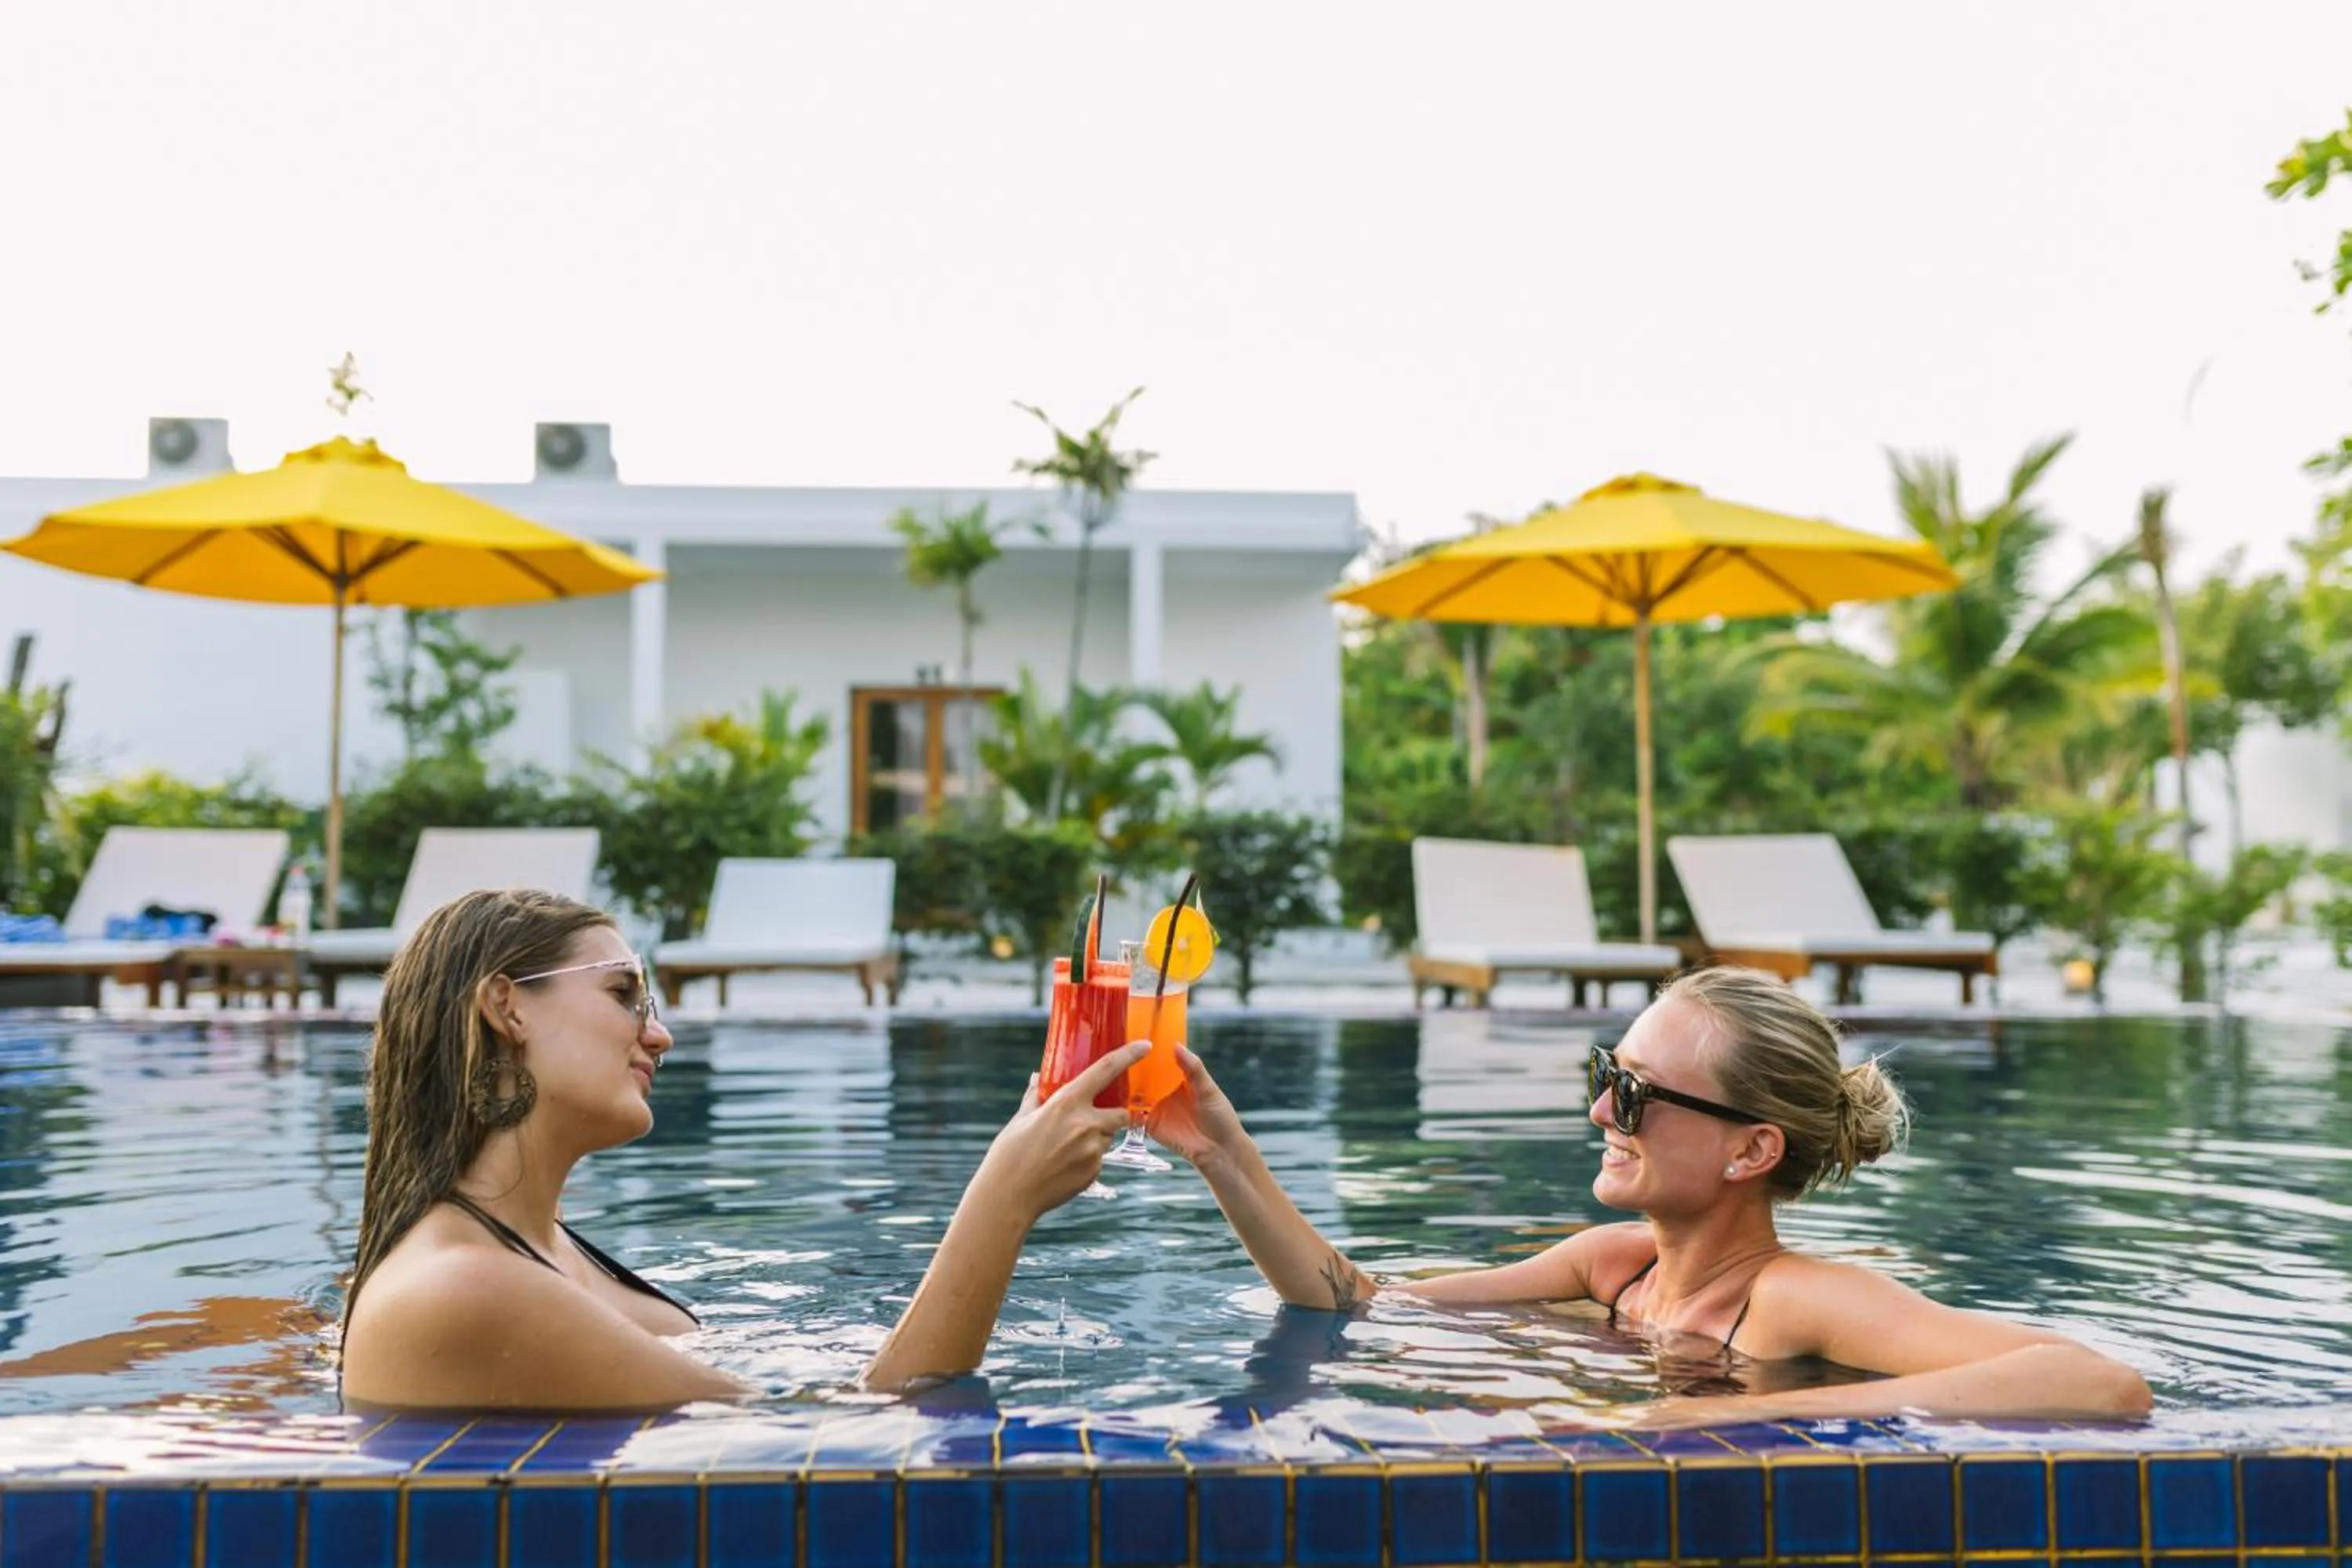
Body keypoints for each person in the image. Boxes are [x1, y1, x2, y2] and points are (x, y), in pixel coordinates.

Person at [1146, 964, 2152, 1425]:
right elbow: (1356, 1301)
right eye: (1604, 1071)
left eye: (1633, 1091)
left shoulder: (1793, 1299)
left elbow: (2100, 1381)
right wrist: (1223, 1150)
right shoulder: (1612, 1266)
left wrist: (1757, 1421)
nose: (1600, 1110)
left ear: (1750, 1149)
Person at [339, 888, 1142, 1410]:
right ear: (506, 1007)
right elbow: (865, 1427)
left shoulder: (530, 1246)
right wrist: (1002, 1199)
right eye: (623, 993)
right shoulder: (466, 1283)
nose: (660, 1032)